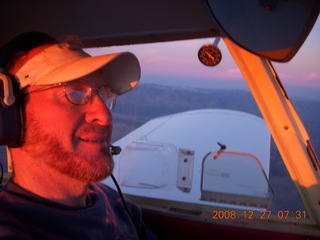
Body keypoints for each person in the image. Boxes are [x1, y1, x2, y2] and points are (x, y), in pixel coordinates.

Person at [0, 32, 157, 240]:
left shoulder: (120, 207)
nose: (105, 116)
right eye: (74, 93)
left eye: (103, 94)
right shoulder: (10, 228)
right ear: (12, 115)